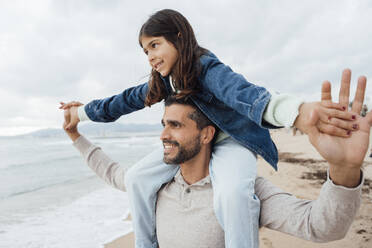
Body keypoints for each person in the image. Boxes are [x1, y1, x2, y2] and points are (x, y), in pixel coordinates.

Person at [59, 9, 357, 248]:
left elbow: (244, 93)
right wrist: (80, 113)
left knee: (232, 196)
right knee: (136, 177)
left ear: (178, 37)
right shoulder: (163, 81)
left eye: (154, 45)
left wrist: (297, 112)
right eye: (144, 50)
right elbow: (122, 102)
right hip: (198, 143)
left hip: (233, 141)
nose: (149, 56)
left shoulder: (206, 67)